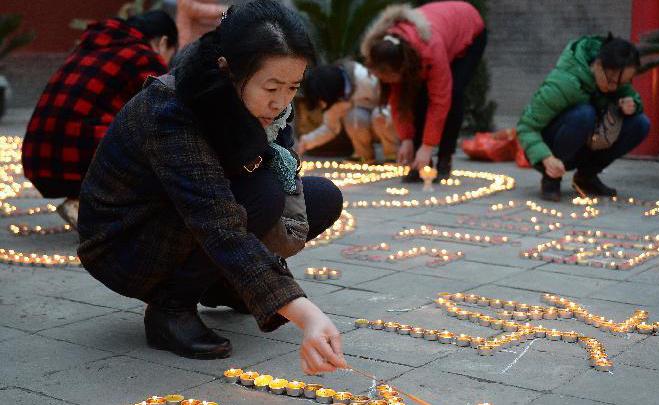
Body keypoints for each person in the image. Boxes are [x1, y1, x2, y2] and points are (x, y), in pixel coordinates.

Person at [77, 0, 347, 375]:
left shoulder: (272, 110)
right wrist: (307, 314)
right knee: (264, 195)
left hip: (195, 219)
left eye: (292, 87)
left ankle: (226, 284)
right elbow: (218, 221)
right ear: (228, 69)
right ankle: (170, 308)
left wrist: (271, 289)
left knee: (320, 197)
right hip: (127, 242)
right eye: (271, 86)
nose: (282, 101)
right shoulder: (172, 110)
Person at [22, 11, 178, 227]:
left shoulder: (89, 46)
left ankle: (81, 201)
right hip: (76, 162)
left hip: (37, 161)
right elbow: (169, 110)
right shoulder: (144, 56)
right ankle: (99, 210)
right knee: (162, 138)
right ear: (163, 43)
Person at [361, 1, 486, 182]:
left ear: (403, 68)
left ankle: (445, 158)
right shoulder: (386, 54)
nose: (384, 81)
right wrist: (406, 139)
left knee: (453, 92)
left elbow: (440, 100)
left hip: (469, 28)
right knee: (417, 97)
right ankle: (420, 164)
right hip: (438, 33)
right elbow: (399, 100)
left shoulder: (430, 50)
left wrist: (427, 146)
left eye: (388, 77)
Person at [517, 34, 650, 201]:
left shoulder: (617, 79)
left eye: (622, 83)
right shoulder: (564, 82)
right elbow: (526, 127)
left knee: (640, 123)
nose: (614, 87)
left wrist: (633, 105)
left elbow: (634, 98)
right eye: (611, 81)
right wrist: (546, 158)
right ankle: (551, 177)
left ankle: (586, 176)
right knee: (584, 114)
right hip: (551, 147)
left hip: (587, 144)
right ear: (598, 65)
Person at [297, 61, 399, 163]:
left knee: (381, 115)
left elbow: (392, 103)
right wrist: (305, 142)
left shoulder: (365, 78)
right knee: (354, 117)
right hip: (364, 120)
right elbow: (330, 127)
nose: (322, 104)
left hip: (386, 118)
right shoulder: (334, 98)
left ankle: (393, 155)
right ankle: (363, 155)